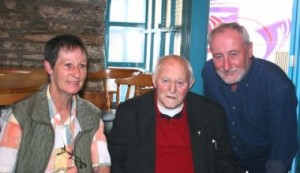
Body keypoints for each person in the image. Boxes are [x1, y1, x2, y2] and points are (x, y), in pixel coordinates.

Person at [108, 55, 242, 173]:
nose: (172, 89)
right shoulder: (129, 113)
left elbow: (225, 163)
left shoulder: (211, 114)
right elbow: (116, 164)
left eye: (180, 83)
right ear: (154, 80)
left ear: (190, 84)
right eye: (165, 81)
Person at [0, 34, 111, 172]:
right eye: (68, 65)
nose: (77, 73)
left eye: (82, 65)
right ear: (49, 67)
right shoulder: (21, 115)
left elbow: (102, 165)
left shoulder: (92, 116)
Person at [202, 22, 298, 173]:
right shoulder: (209, 73)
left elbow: (282, 150)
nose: (226, 66)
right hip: (224, 163)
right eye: (218, 56)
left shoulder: (277, 86)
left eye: (233, 54)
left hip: (263, 167)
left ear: (249, 50)